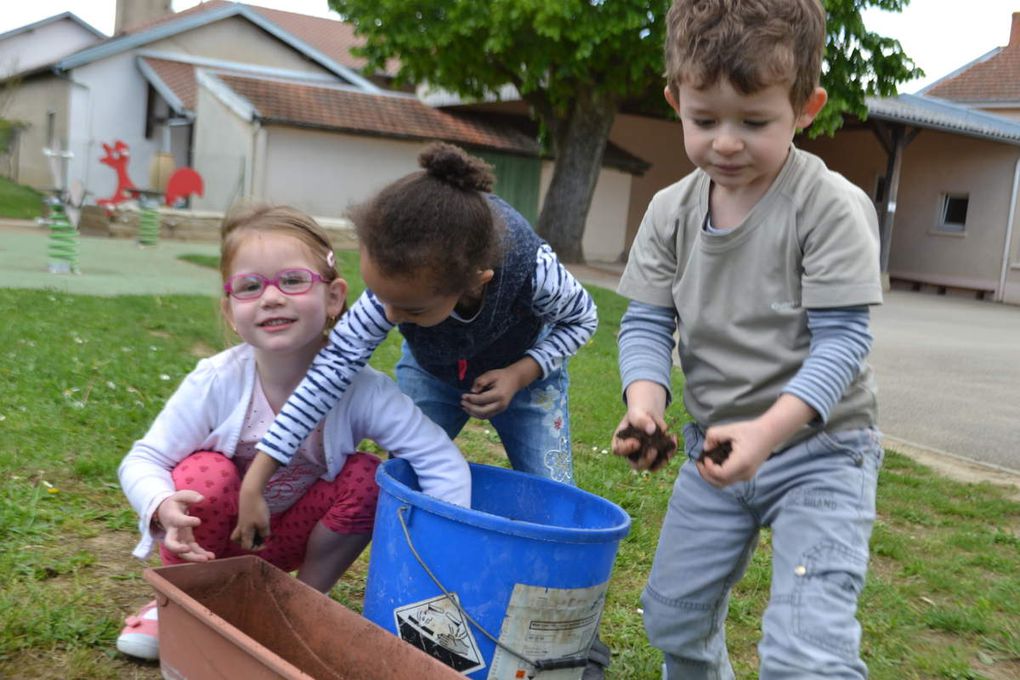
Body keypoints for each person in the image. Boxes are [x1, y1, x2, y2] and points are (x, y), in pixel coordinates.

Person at [612, 0, 884, 677]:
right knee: (673, 615)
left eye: (754, 122)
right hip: (714, 450)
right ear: (676, 100)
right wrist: (645, 403)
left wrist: (767, 433)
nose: (726, 143)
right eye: (704, 121)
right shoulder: (670, 211)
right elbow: (648, 319)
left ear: (807, 107)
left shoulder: (829, 207)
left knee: (807, 652)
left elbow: (843, 344)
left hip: (822, 451)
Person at [116, 204, 471, 661]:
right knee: (205, 474)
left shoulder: (365, 392)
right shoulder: (217, 381)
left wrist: (445, 555)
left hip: (291, 539)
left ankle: (299, 606)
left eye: (293, 280)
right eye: (249, 286)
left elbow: (438, 459)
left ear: (334, 297)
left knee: (368, 477)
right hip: (212, 544)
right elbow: (143, 460)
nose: (271, 297)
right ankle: (181, 603)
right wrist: (161, 505)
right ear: (229, 311)